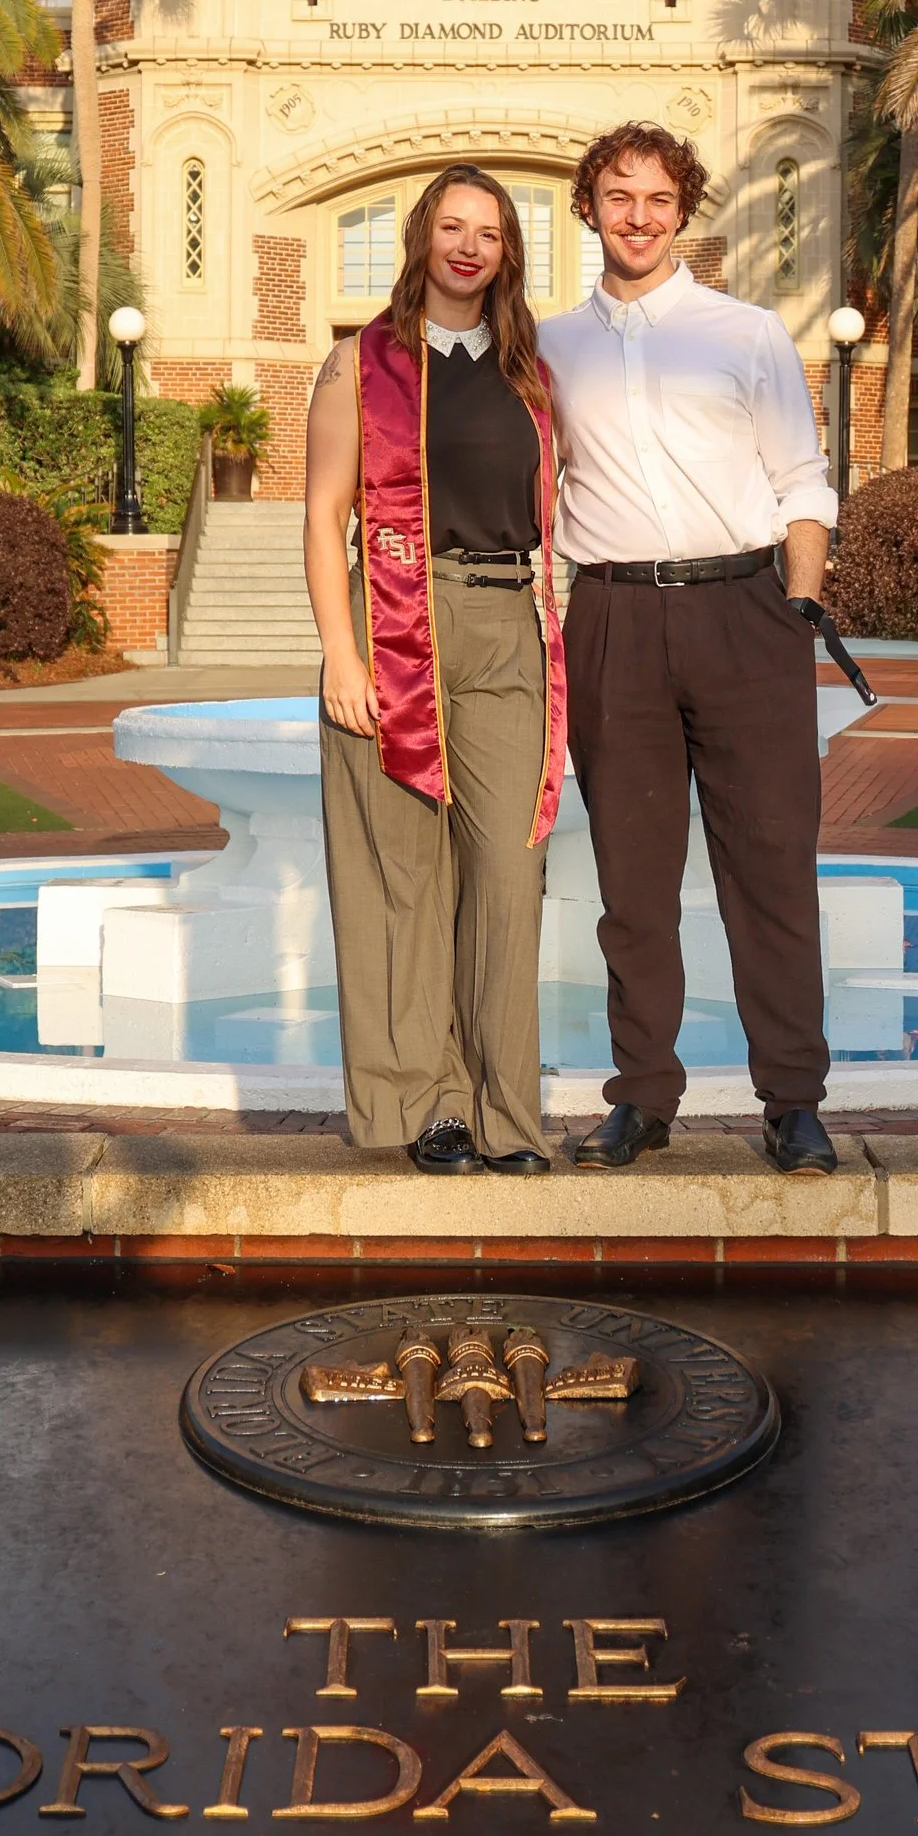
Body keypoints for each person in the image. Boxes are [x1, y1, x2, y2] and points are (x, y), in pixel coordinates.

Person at [536, 124, 841, 1175]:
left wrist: (797, 607)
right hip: (612, 620)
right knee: (632, 882)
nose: (637, 215)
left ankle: (793, 1100)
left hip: (747, 614)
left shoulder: (744, 332)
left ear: (682, 211)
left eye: (657, 198)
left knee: (770, 870)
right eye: (618, 195)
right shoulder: (547, 347)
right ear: (588, 205)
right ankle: (642, 1097)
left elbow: (802, 480)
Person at [303, 165, 567, 1173]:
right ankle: (432, 1109)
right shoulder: (356, 362)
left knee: (507, 871)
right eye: (451, 227)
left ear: (507, 253)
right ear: (420, 238)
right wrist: (341, 651)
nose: (467, 246)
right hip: (394, 618)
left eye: (488, 233)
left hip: (508, 622)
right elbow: (324, 515)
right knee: (405, 883)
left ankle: (509, 1115)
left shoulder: (526, 370)